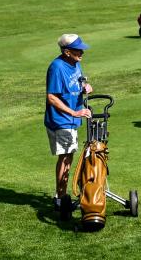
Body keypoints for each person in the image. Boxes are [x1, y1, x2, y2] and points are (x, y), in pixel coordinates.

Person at [45, 33, 93, 219]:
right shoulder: (57, 68)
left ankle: (61, 195)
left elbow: (79, 81)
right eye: (77, 50)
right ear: (66, 52)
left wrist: (85, 87)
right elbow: (51, 97)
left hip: (72, 119)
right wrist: (74, 112)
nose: (82, 52)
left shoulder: (75, 63)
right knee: (65, 158)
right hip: (61, 120)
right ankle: (60, 198)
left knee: (69, 156)